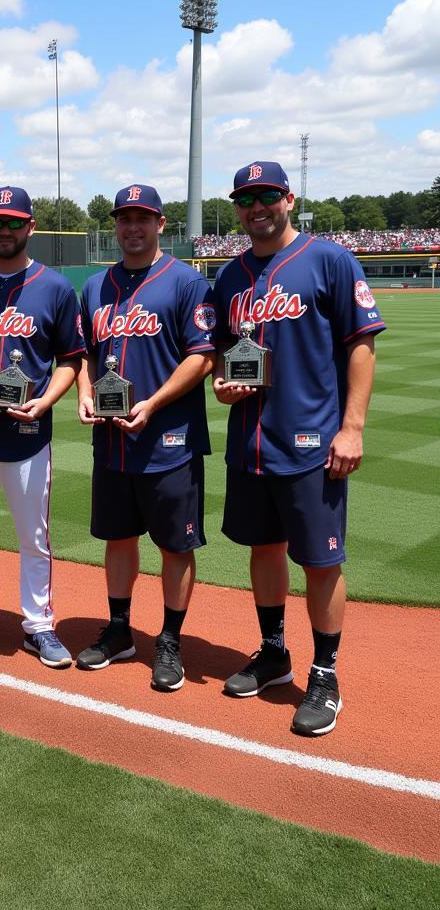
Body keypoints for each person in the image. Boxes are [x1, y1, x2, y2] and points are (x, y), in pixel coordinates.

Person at [212, 160, 385, 736]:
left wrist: (352, 426)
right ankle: (274, 652)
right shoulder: (230, 277)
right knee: (263, 549)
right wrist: (222, 385)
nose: (256, 207)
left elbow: (362, 346)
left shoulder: (329, 259)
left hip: (312, 440)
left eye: (266, 195)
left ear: (287, 198)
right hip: (252, 442)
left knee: (320, 560)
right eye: (245, 199)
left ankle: (325, 671)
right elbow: (219, 356)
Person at [76, 185, 215, 691]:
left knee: (175, 546)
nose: (132, 227)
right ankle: (119, 628)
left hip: (169, 440)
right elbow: (88, 355)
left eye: (143, 218)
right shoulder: (95, 286)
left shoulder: (185, 283)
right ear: (115, 224)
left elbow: (202, 357)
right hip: (112, 439)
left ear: (161, 223)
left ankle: (171, 639)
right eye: (124, 218)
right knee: (118, 537)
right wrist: (85, 394)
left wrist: (153, 404)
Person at [0, 186, 84, 667]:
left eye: (13, 222)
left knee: (35, 537)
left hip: (27, 437)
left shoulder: (55, 288)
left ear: (30, 227)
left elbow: (71, 358)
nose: (4, 231)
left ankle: (38, 625)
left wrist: (46, 400)